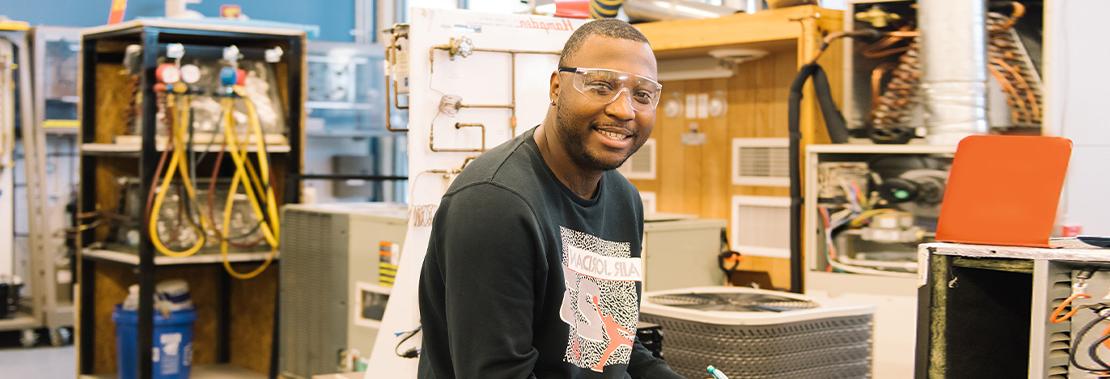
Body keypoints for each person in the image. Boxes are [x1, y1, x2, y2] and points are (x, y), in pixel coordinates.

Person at [418, 19, 682, 379]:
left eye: (643, 94)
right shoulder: (495, 203)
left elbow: (611, 346)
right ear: (557, 88)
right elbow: (498, 374)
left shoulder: (624, 200)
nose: (624, 110)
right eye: (602, 85)